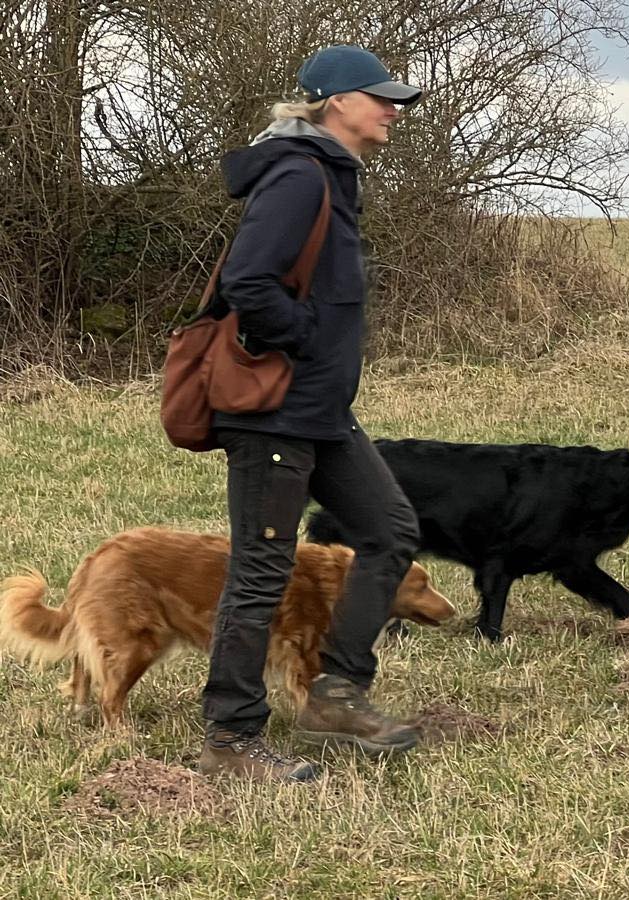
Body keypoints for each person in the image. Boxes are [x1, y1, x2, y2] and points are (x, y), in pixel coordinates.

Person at [199, 46, 426, 782]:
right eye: (380, 98)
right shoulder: (299, 174)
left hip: (320, 409)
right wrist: (300, 344)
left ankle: (334, 693)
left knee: (390, 531)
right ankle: (230, 741)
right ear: (335, 103)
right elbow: (249, 282)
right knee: (262, 571)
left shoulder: (330, 173)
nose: (393, 110)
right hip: (276, 412)